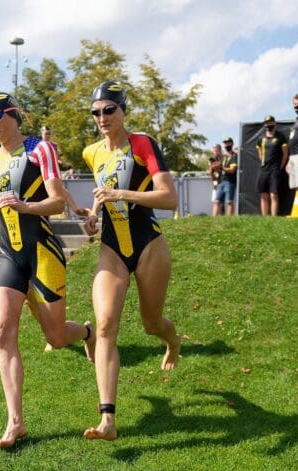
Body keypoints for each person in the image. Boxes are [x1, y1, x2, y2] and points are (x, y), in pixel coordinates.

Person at [0, 91, 95, 449]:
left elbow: (55, 201)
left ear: (12, 116)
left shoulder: (40, 149)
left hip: (42, 251)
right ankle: (16, 423)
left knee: (55, 337)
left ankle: (87, 333)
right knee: (2, 331)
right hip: (9, 253)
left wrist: (25, 205)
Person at [80, 81, 182, 441]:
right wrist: (93, 214)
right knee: (105, 325)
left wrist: (121, 194)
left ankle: (173, 342)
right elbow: (101, 192)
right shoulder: (91, 152)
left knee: (151, 323)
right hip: (111, 247)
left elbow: (169, 198)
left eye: (110, 109)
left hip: (148, 244)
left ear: (123, 110)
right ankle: (108, 419)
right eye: (96, 112)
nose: (102, 117)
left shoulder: (142, 143)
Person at [256, 116, 288, 216]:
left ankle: (274, 218)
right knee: (263, 195)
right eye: (266, 123)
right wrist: (263, 161)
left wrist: (280, 166)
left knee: (274, 194)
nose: (268, 125)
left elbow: (285, 154)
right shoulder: (261, 138)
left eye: (270, 123)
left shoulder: (280, 137)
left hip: (274, 169)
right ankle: (265, 218)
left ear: (274, 123)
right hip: (263, 170)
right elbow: (259, 152)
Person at [219, 137, 238, 216]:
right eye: (225, 143)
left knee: (229, 201)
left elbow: (232, 170)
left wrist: (222, 168)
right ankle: (216, 219)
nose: (227, 144)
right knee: (217, 201)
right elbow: (220, 168)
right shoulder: (223, 156)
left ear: (232, 144)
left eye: (228, 143)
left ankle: (230, 219)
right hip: (221, 180)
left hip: (230, 181)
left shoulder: (234, 155)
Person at [207, 144, 223, 216]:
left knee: (222, 201)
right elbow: (211, 170)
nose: (216, 152)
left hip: (223, 180)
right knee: (216, 201)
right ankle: (216, 217)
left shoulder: (224, 158)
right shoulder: (211, 159)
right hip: (216, 182)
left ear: (220, 150)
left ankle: (222, 216)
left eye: (217, 150)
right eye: (214, 150)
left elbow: (220, 168)